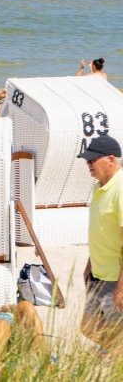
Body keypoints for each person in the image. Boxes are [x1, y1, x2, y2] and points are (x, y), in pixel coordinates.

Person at [79, 135, 123, 347]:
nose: (88, 164)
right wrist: (90, 263)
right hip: (97, 274)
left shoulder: (121, 189)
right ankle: (114, 354)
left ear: (111, 160)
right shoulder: (99, 187)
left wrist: (121, 288)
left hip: (115, 278)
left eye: (92, 160)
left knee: (116, 333)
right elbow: (102, 230)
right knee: (88, 326)